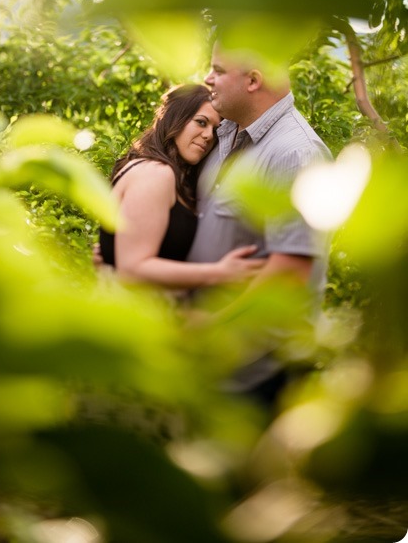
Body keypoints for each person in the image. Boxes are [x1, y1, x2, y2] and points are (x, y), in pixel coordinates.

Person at [187, 43, 332, 402]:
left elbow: (291, 273)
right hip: (209, 369)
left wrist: (207, 327)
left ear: (253, 80)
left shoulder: (298, 154)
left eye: (218, 70)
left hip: (258, 377)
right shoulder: (223, 133)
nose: (208, 78)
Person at [98, 83, 263, 288]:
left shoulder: (172, 176)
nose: (208, 136)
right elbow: (132, 269)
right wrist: (219, 273)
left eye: (214, 129)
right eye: (201, 122)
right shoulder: (155, 174)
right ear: (174, 118)